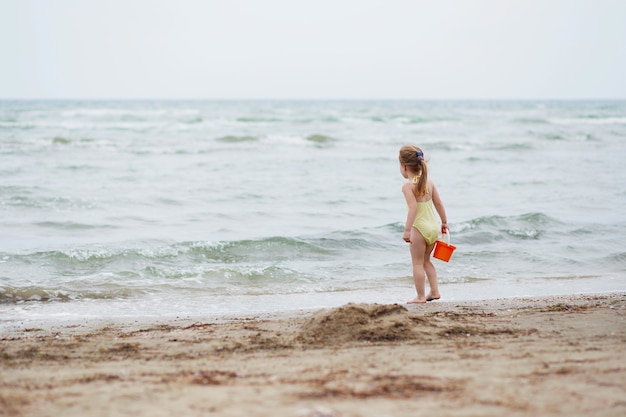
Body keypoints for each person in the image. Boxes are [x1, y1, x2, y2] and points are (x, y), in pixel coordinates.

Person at [398, 145, 449, 304]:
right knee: (426, 261)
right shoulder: (429, 183)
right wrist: (444, 222)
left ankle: (420, 296)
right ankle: (434, 291)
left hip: (419, 229)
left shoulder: (408, 187)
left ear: (404, 167)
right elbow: (439, 203)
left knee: (417, 263)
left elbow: (413, 208)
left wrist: (407, 230)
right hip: (433, 227)